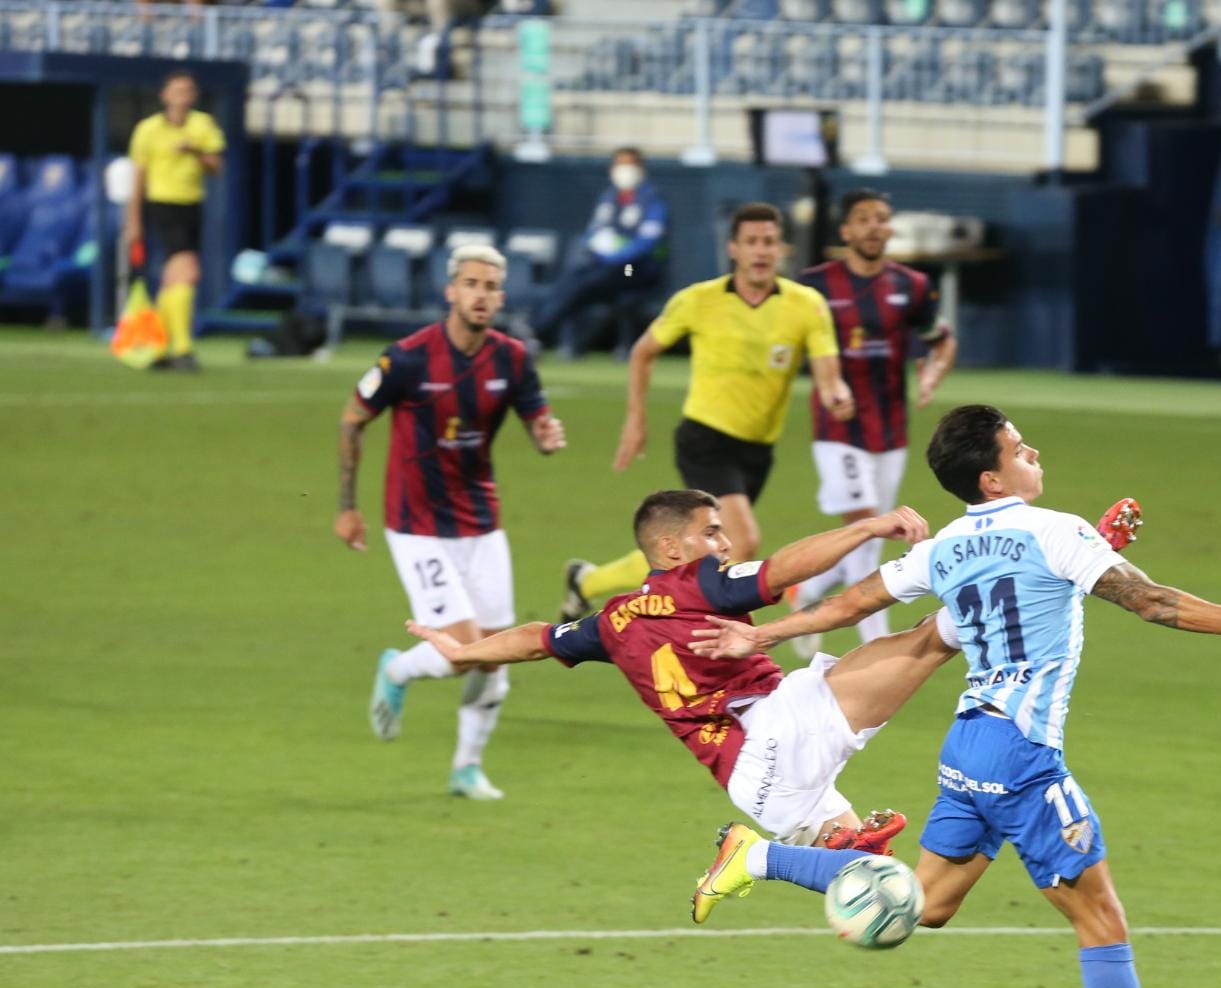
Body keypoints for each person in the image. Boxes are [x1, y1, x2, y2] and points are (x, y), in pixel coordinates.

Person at [688, 403, 1221, 988]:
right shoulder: (1058, 530)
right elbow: (1146, 600)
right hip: (1020, 753)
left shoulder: (948, 547)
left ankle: (754, 855)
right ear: (991, 475)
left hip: (968, 744)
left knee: (925, 902)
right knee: (1100, 920)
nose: (1033, 451)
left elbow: (857, 602)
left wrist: (763, 631)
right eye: (1020, 447)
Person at [408, 489, 950, 849]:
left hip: (750, 784)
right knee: (939, 635)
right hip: (775, 734)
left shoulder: (615, 620)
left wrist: (462, 652)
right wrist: (867, 529)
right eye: (712, 531)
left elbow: (536, 640)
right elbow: (784, 567)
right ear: (671, 547)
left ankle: (756, 859)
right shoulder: (701, 582)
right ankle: (751, 861)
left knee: (873, 881)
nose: (725, 543)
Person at [334, 244, 567, 800]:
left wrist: (547, 436)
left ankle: (467, 768)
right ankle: (397, 670)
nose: (481, 295)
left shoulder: (512, 358)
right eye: (471, 284)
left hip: (482, 525)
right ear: (451, 291)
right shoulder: (408, 358)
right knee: (465, 648)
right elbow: (353, 417)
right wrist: (347, 505)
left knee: (498, 653)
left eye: (490, 287)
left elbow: (538, 421)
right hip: (417, 525)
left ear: (500, 296)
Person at [558, 203, 854, 622]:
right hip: (705, 439)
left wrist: (836, 393)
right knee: (743, 542)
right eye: (751, 242)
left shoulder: (807, 305)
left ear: (782, 248)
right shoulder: (698, 300)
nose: (760, 251)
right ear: (733, 248)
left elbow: (829, 374)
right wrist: (635, 420)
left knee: (699, 549)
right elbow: (644, 352)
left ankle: (586, 582)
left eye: (768, 242)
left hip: (758, 450)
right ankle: (710, 634)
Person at [789, 188, 959, 654]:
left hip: (891, 429)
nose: (874, 226)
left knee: (868, 535)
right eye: (863, 219)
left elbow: (940, 340)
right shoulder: (814, 286)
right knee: (869, 529)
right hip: (838, 428)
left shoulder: (911, 286)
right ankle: (874, 643)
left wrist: (932, 376)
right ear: (845, 231)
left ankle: (807, 594)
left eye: (882, 218)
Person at [125, 69, 225, 372]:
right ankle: (182, 348)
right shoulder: (148, 130)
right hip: (163, 205)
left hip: (191, 205)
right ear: (165, 95)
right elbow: (138, 178)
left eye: (188, 90)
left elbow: (216, 166)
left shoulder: (202, 125)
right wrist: (134, 220)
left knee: (173, 280)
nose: (183, 96)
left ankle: (155, 347)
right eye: (177, 90)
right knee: (189, 272)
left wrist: (194, 150)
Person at [531, 148, 670, 359]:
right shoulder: (608, 199)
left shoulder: (652, 200)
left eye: (630, 165)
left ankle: (538, 331)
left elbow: (646, 243)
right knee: (574, 276)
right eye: (621, 165)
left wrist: (613, 255)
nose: (625, 171)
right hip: (606, 267)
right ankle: (540, 332)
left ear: (641, 169)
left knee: (598, 278)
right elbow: (592, 234)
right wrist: (597, 248)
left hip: (636, 269)